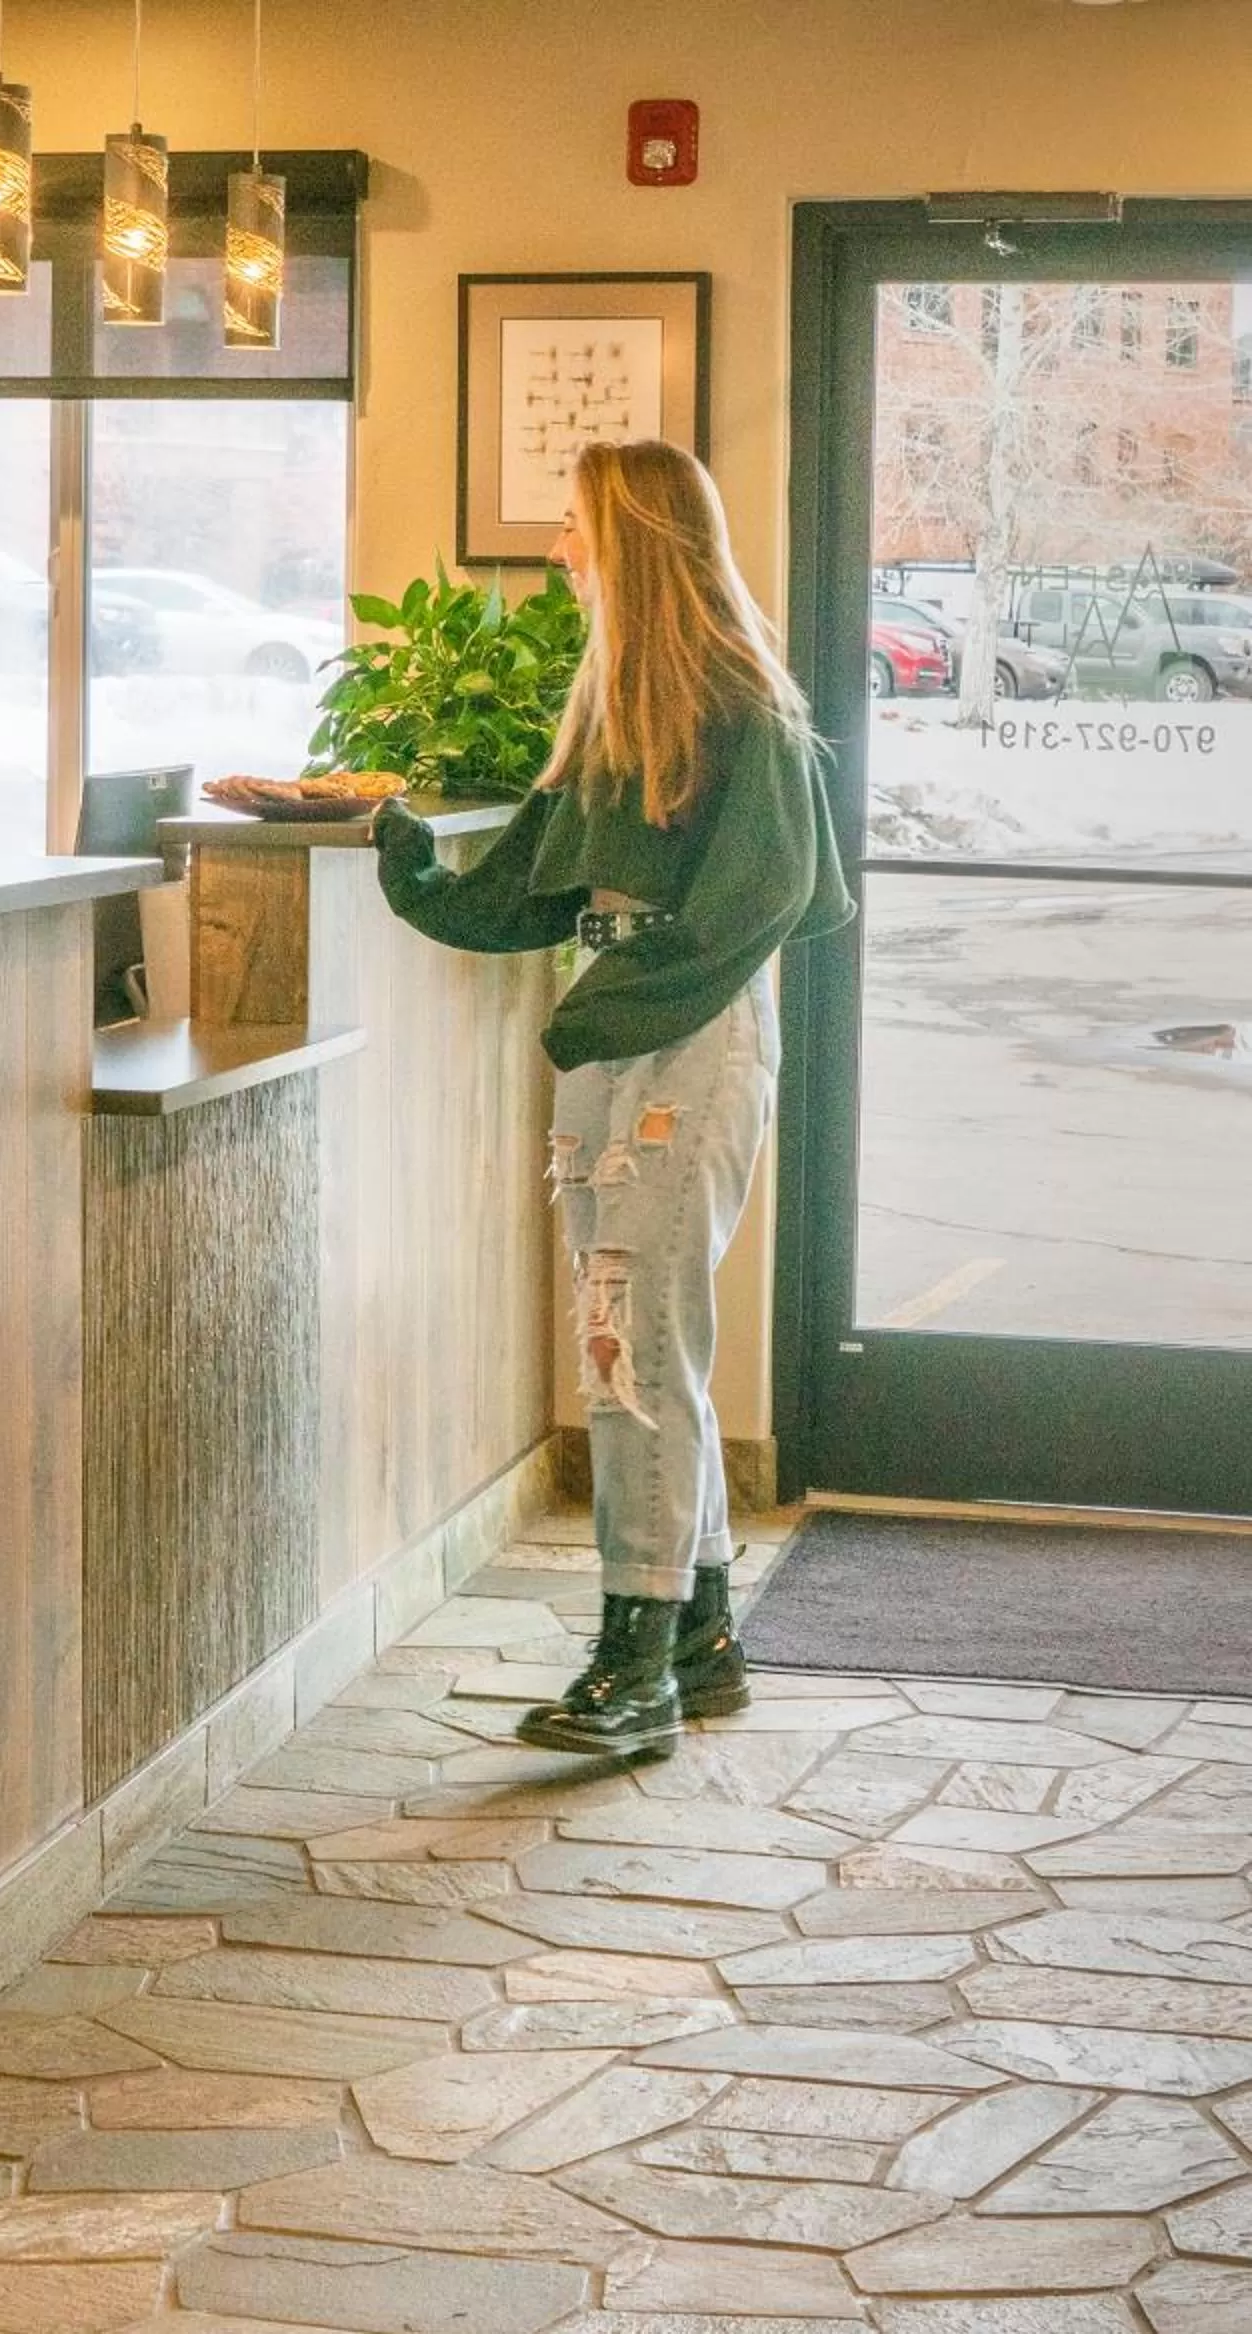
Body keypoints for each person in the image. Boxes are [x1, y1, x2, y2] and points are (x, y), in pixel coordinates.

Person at [371, 439, 853, 1756]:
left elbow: (768, 901)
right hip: (620, 1037)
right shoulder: (614, 695)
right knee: (630, 1341)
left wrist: (612, 994)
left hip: (683, 1043)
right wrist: (411, 866)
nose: (561, 552)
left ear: (630, 537)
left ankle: (632, 1661)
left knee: (632, 1353)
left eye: (578, 528)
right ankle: (694, 1638)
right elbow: (533, 874)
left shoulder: (743, 703)